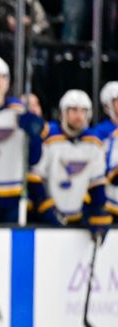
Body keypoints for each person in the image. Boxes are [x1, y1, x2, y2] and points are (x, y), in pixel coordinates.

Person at [27, 90, 111, 242]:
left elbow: (97, 182)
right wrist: (46, 208)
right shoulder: (49, 137)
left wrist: (97, 211)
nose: (78, 116)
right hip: (46, 221)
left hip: (78, 220)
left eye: (83, 111)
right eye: (73, 110)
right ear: (63, 113)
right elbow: (34, 177)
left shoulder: (94, 143)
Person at [0, 56, 45, 223]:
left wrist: (34, 135)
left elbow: (34, 159)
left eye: (2, 76)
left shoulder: (20, 112)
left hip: (14, 193)